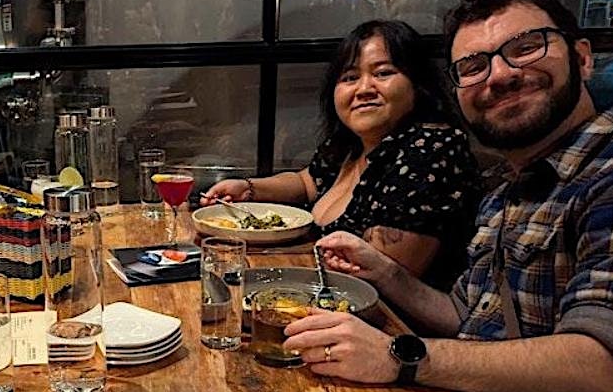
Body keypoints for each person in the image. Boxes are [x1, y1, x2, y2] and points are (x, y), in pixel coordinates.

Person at [288, 0, 613, 392]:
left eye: (525, 48)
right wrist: (386, 272)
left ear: (583, 58)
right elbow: (465, 319)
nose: (499, 75)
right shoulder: (510, 188)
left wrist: (401, 356)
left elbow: (598, 366)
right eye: (474, 66)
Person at [202, 20, 481, 289]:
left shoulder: (429, 150)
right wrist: (248, 188)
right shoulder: (352, 144)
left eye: (383, 73)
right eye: (350, 77)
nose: (364, 89)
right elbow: (307, 182)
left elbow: (378, 278)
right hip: (321, 291)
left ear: (417, 84)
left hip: (376, 313)